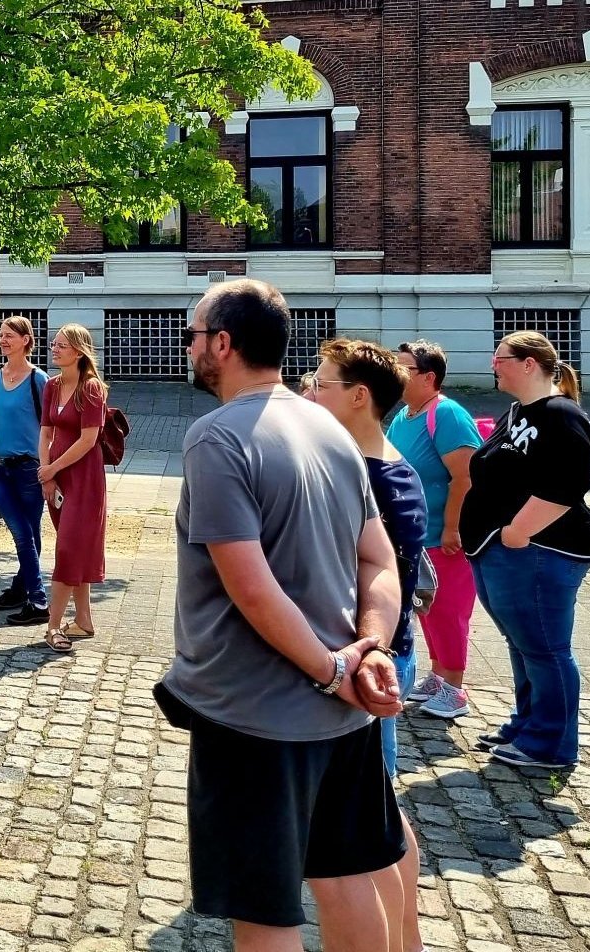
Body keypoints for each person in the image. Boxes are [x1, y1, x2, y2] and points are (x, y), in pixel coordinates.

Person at [160, 279, 410, 952]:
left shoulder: (216, 438)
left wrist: (333, 669)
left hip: (256, 716)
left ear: (222, 343)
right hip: (346, 711)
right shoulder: (326, 426)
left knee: (265, 910)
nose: (187, 348)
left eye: (191, 335)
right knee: (347, 875)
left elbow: (252, 588)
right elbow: (380, 562)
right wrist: (374, 650)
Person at [306, 338, 431, 952]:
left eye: (321, 381)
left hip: (368, 663)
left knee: (365, 827)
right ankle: (405, 934)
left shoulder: (367, 477)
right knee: (380, 810)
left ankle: (399, 938)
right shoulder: (391, 465)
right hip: (387, 654)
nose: (308, 389)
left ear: (359, 398)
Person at [460, 331, 590, 770]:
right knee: (523, 643)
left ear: (528, 364)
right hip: (500, 549)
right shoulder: (517, 412)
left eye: (501, 358)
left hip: (539, 550)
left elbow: (567, 484)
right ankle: (528, 724)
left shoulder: (561, 414)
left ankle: (550, 744)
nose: (493, 365)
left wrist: (518, 531)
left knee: (545, 648)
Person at [387, 340, 484, 720]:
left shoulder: (446, 415)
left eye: (404, 368)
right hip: (415, 536)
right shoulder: (405, 415)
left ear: (429, 377)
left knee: (448, 611)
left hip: (444, 537)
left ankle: (455, 689)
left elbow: (465, 477)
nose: (395, 373)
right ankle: (439, 675)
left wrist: (452, 528)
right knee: (426, 609)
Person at [39, 323, 109, 649]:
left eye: (61, 345)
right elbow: (46, 432)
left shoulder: (91, 388)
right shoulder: (51, 386)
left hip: (84, 480)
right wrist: (47, 474)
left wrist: (53, 467)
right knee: (74, 548)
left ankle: (53, 626)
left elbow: (88, 440)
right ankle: (83, 620)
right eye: (54, 343)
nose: (54, 349)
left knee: (67, 549)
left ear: (78, 351)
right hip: (58, 477)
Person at [0, 316, 51, 624]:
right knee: (24, 533)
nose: (3, 340)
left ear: (26, 340)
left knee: (27, 535)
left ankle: (37, 601)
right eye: (1, 335)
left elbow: (48, 427)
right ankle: (21, 589)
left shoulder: (39, 380)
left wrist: (48, 467)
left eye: (9, 335)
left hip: (28, 469)